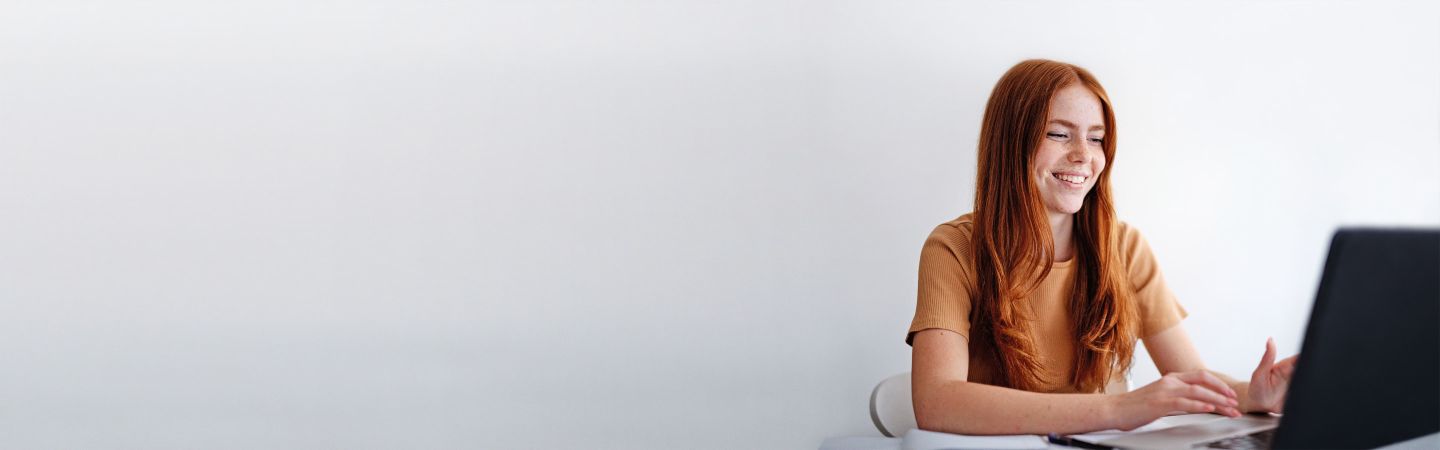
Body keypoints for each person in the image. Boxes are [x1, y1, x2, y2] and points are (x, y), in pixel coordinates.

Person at [907, 59, 1298, 435]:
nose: (1084, 155)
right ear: (1011, 143)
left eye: (1096, 138)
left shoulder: (1126, 248)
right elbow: (938, 403)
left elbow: (1192, 379)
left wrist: (1253, 395)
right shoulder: (953, 249)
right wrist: (1119, 410)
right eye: (1059, 134)